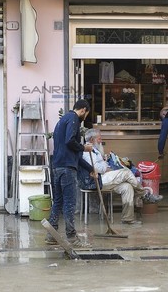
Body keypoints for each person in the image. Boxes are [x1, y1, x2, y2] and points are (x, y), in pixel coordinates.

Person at [82, 128, 163, 225]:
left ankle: (127, 219)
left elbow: (102, 166)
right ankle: (144, 194)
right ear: (92, 140)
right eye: (99, 138)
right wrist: (106, 167)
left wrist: (105, 163)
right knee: (126, 172)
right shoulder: (87, 151)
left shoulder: (95, 150)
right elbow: (97, 168)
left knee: (127, 187)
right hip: (96, 181)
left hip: (104, 178)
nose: (101, 140)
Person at [45, 99, 93, 247]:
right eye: (86, 114)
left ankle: (51, 235)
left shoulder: (62, 121)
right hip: (67, 168)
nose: (85, 117)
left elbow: (72, 151)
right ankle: (71, 237)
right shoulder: (73, 119)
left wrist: (91, 169)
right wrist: (84, 147)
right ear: (83, 110)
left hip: (57, 166)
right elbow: (70, 141)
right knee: (69, 202)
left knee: (58, 201)